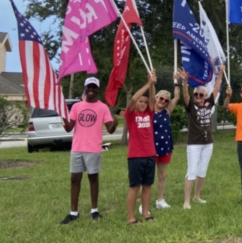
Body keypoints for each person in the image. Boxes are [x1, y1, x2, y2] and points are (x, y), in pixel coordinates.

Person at [60, 77, 118, 225]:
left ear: (98, 89)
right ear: (85, 88)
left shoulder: (102, 107)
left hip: (93, 148)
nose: (91, 90)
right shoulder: (77, 107)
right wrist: (63, 119)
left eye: (94, 87)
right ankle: (73, 213)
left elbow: (110, 130)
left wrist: (115, 122)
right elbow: (69, 128)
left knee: (93, 178)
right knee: (75, 179)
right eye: (89, 87)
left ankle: (94, 210)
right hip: (77, 148)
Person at [181, 65, 225, 209]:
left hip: (208, 142)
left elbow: (217, 88)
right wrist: (185, 82)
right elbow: (186, 96)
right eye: (196, 95)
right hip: (194, 143)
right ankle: (186, 201)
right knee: (192, 170)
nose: (198, 97)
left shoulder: (208, 103)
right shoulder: (191, 107)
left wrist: (220, 74)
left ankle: (197, 196)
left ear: (205, 96)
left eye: (201, 95)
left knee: (202, 170)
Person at [124, 70, 157, 225]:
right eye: (140, 102)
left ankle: (145, 213)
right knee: (135, 186)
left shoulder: (149, 114)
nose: (143, 103)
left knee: (148, 185)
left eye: (145, 102)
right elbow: (134, 98)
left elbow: (152, 98)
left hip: (150, 154)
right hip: (136, 156)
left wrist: (152, 83)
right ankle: (130, 218)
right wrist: (148, 83)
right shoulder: (130, 115)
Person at [151, 73, 181, 210]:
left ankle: (160, 199)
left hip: (164, 147)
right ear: (156, 98)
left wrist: (176, 82)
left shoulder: (167, 111)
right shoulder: (149, 110)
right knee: (148, 176)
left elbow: (177, 97)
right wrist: (151, 81)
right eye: (161, 98)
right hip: (150, 148)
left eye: (166, 100)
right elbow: (150, 94)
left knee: (162, 175)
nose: (163, 101)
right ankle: (144, 201)